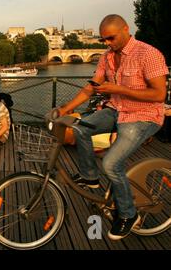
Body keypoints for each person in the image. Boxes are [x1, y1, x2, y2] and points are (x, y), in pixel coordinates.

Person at [58, 14, 169, 241]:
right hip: (116, 109)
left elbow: (159, 94)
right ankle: (90, 177)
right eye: (103, 40)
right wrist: (65, 109)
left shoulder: (149, 53)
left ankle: (129, 214)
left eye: (111, 38)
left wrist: (118, 89)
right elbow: (91, 88)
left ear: (126, 29)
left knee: (111, 163)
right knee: (80, 127)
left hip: (143, 116)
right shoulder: (107, 57)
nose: (107, 43)